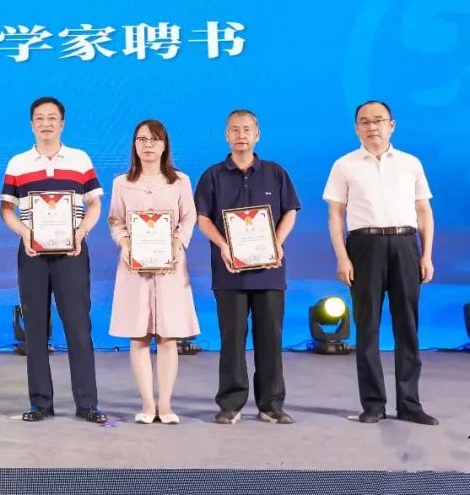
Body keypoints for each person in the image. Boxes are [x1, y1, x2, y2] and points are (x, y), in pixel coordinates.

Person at [322, 100, 437, 426]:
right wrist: (342, 257)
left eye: (378, 120)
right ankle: (373, 404)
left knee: (407, 327)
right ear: (356, 128)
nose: (372, 126)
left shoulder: (410, 163)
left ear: (391, 125)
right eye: (364, 121)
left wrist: (426, 254)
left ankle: (410, 403)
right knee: (367, 327)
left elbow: (424, 211)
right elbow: (335, 215)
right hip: (364, 246)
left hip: (405, 244)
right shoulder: (344, 165)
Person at [0, 96, 107, 424]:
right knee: (34, 329)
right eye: (39, 118)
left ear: (62, 123)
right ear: (31, 124)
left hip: (71, 253)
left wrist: (81, 232)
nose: (46, 123)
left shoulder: (79, 159)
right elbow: (6, 209)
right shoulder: (18, 163)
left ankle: (87, 403)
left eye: (52, 118)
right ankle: (40, 403)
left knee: (78, 327)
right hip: (32, 253)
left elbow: (94, 204)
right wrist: (24, 233)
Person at [194, 110, 300, 425]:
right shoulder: (212, 175)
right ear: (226, 135)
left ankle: (271, 404)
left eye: (247, 129)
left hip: (270, 271)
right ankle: (231, 403)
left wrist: (277, 242)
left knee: (271, 339)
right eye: (235, 130)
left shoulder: (275, 172)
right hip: (229, 272)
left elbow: (290, 211)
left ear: (257, 134)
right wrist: (223, 245)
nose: (241, 135)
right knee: (232, 339)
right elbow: (202, 218)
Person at [108, 119, 199, 424]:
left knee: (168, 337)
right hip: (133, 268)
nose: (148, 145)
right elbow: (115, 221)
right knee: (139, 337)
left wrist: (176, 242)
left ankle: (166, 404)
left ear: (164, 145)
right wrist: (124, 242)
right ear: (134, 145)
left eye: (155, 139)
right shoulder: (122, 182)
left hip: (170, 266)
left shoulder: (180, 181)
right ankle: (147, 404)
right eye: (142, 139)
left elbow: (189, 218)